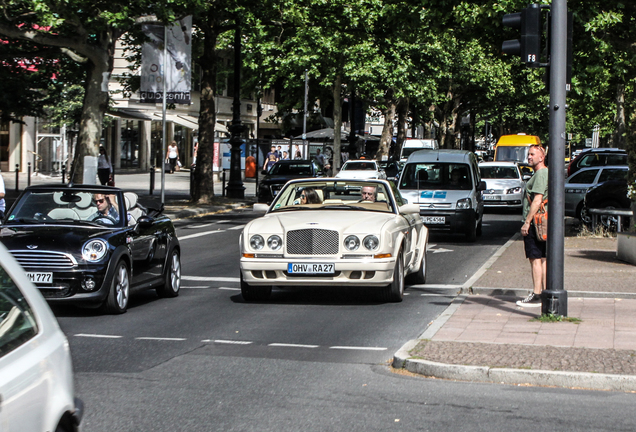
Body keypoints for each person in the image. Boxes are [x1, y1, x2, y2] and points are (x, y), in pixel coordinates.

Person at [516, 145, 549, 307]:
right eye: (528, 154)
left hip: (536, 223)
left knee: (535, 258)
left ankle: (537, 294)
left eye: (532, 154)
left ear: (541, 157)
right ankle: (543, 292)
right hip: (541, 223)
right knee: (542, 258)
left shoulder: (541, 174)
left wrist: (527, 222)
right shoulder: (542, 173)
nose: (529, 157)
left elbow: (537, 200)